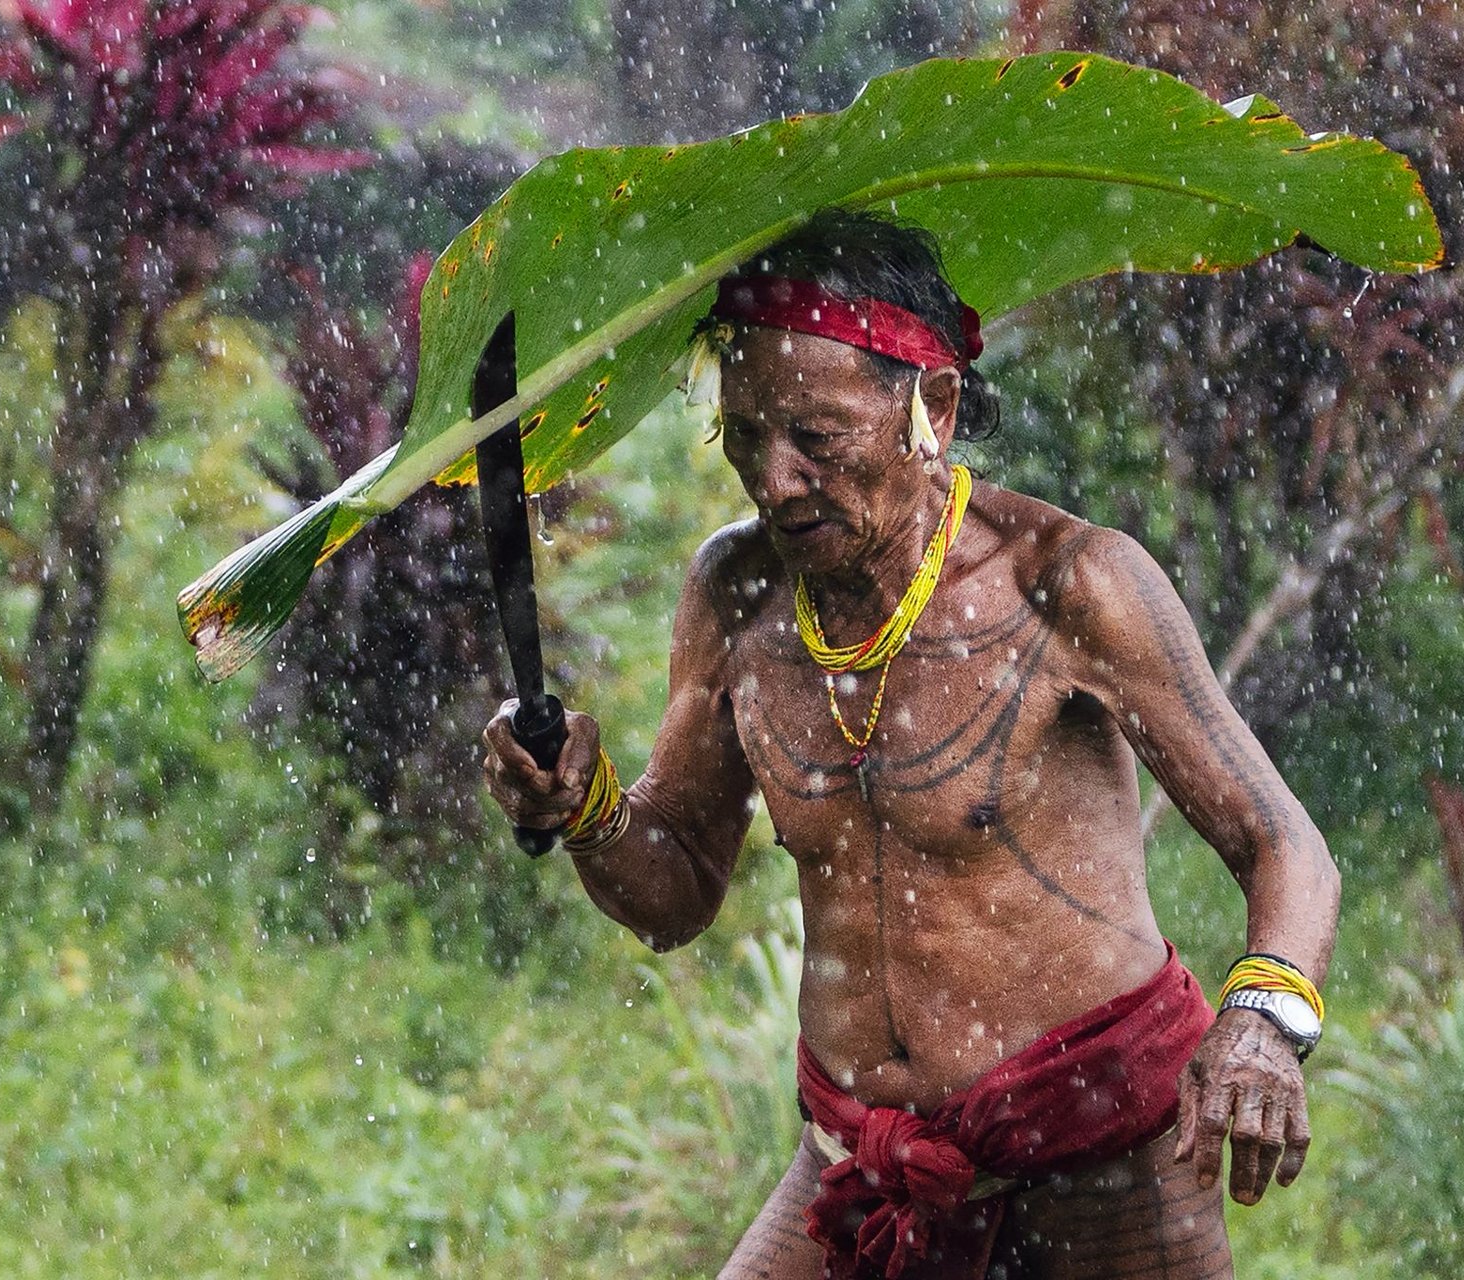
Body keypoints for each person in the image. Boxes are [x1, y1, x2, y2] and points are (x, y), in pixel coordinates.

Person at [481, 210, 1340, 1280]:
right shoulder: (736, 594)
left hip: (1104, 1156)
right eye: (745, 435)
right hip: (864, 1163)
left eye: (818, 437)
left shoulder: (1070, 584)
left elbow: (1284, 843)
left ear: (930, 405)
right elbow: (676, 889)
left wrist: (1264, 1017)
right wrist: (584, 806)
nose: (776, 477)